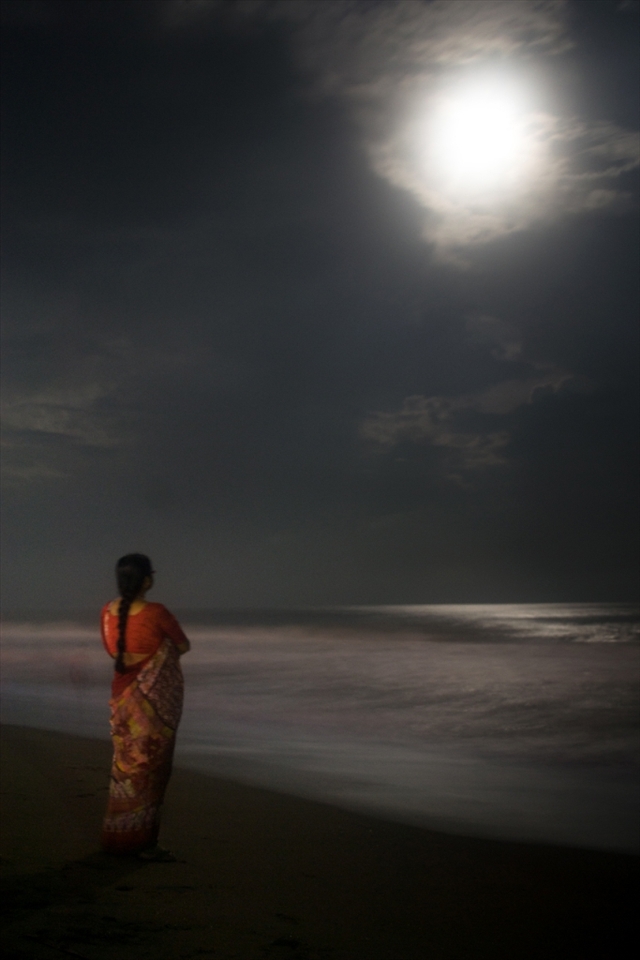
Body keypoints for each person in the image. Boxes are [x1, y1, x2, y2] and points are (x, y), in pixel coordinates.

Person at [100, 553, 190, 860]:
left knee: (125, 768)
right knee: (150, 770)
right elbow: (182, 645)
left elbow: (112, 651)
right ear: (147, 581)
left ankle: (118, 837)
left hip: (121, 698)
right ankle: (141, 844)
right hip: (151, 705)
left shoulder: (107, 613)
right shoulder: (156, 612)